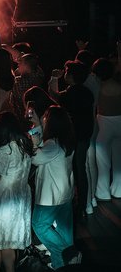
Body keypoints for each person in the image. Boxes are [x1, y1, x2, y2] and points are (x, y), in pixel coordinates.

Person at [31, 106, 82, 268]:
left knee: (39, 224)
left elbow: (35, 158)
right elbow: (45, 150)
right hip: (65, 193)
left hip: (50, 197)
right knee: (65, 232)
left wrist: (34, 145)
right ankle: (63, 265)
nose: (44, 118)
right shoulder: (66, 142)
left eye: (46, 117)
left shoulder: (52, 144)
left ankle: (70, 254)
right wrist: (37, 125)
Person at [0, 112, 34, 272]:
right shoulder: (25, 145)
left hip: (6, 199)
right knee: (6, 234)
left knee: (6, 240)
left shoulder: (4, 151)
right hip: (20, 197)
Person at [49, 60, 95, 217]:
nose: (65, 74)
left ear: (72, 76)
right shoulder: (86, 92)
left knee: (71, 169)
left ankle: (73, 204)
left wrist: (54, 78)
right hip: (85, 135)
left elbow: (53, 96)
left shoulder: (70, 93)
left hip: (73, 136)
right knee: (81, 168)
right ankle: (83, 205)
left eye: (67, 71)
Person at [93, 55, 121, 201]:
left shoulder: (98, 87)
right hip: (120, 122)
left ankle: (103, 193)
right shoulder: (118, 86)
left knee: (103, 163)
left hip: (103, 123)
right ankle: (119, 190)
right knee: (119, 161)